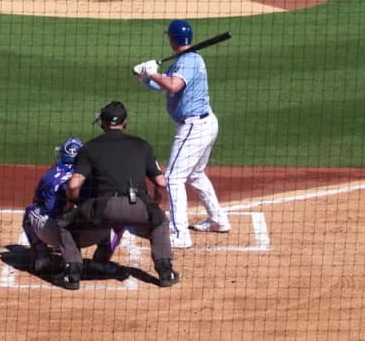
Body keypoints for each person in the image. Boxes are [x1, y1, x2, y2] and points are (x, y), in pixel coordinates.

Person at [55, 101, 179, 290]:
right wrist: (155, 204)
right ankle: (165, 271)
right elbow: (161, 182)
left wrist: (74, 203)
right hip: (139, 206)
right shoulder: (142, 145)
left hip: (105, 208)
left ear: (102, 123)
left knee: (64, 224)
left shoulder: (89, 148)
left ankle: (72, 274)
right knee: (160, 222)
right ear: (125, 122)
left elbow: (73, 184)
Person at [133, 20, 230, 249]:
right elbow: (164, 84)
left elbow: (174, 85)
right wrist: (146, 77)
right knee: (195, 173)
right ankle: (218, 219)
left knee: (173, 178)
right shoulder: (185, 60)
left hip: (194, 127)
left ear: (172, 38)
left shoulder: (189, 60)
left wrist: (154, 74)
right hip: (204, 124)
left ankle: (180, 235)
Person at [21, 136, 122, 275]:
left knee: (29, 211)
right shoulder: (96, 175)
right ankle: (101, 261)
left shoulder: (50, 175)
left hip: (57, 236)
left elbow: (37, 201)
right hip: (93, 234)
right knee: (118, 215)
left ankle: (42, 258)